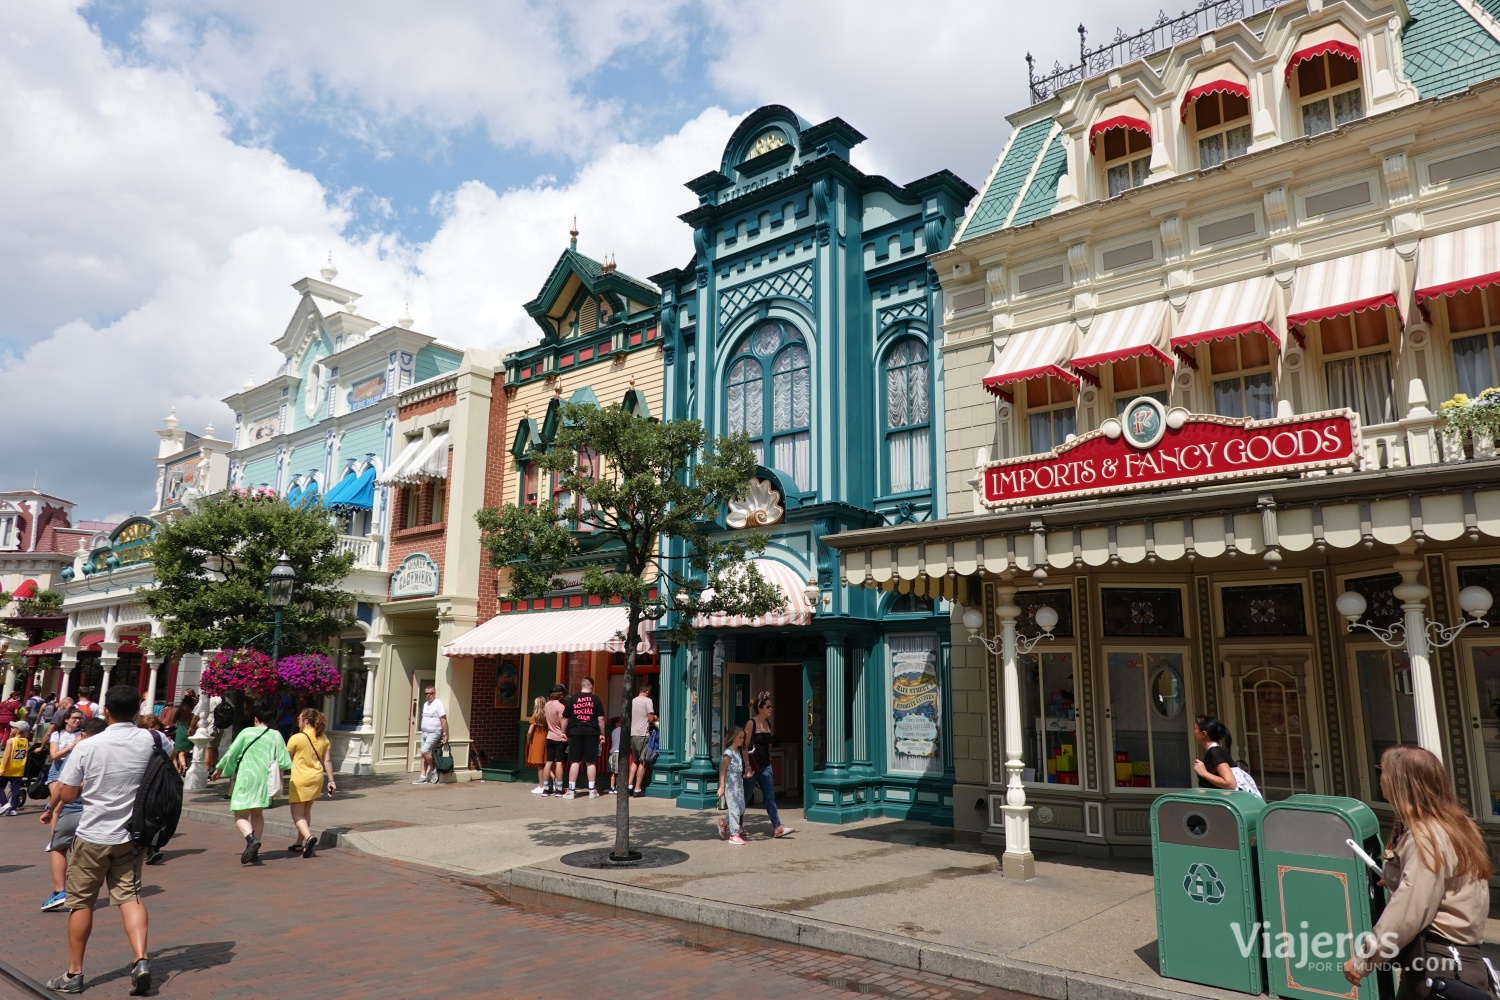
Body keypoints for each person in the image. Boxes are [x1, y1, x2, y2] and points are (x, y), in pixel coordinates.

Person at [41, 684, 164, 996]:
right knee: (130, 896)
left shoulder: (88, 746)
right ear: (138, 710)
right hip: (132, 835)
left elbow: (67, 794)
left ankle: (74, 973)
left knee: (82, 903)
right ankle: (141, 960)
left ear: (105, 711)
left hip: (93, 834)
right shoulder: (155, 739)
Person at [1344, 745, 1493, 997]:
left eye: (1383, 771)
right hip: (1461, 963)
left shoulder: (1426, 836)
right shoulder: (1458, 825)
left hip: (1439, 966)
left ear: (1402, 782)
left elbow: (1408, 911)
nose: (1379, 777)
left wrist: (1363, 961)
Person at [210, 697, 292, 865]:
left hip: (246, 776)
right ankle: (255, 849)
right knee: (257, 813)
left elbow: (232, 752)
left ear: (256, 719)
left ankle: (250, 839)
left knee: (240, 814)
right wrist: (281, 781)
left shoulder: (247, 732)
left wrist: (219, 769)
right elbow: (284, 762)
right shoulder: (276, 735)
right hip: (264, 779)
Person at [38, 716, 107, 912]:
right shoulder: (112, 751)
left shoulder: (80, 751)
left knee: (59, 847)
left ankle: (61, 891)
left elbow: (62, 785)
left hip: (74, 809)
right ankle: (82, 893)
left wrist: (50, 809)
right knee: (85, 854)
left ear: (84, 734)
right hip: (100, 811)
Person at [286, 708, 335, 858]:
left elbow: (285, 759)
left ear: (306, 720)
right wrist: (331, 780)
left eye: (299, 719)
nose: (298, 721)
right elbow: (327, 761)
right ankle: (299, 844)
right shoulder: (323, 738)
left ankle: (308, 837)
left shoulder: (296, 738)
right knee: (306, 811)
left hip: (300, 778)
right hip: (317, 777)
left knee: (296, 813)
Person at [743, 692, 792, 839]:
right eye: (768, 706)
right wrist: (747, 766)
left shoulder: (768, 723)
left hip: (765, 765)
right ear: (760, 708)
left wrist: (769, 758)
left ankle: (777, 827)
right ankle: (734, 824)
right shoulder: (751, 723)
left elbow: (766, 745)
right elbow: (744, 746)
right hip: (753, 766)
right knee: (745, 797)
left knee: (770, 797)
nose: (771, 709)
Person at [1191, 715, 1262, 797]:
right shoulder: (1217, 751)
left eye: (1195, 729)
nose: (1193, 732)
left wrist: (1204, 773)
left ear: (1203, 734)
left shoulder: (1215, 752)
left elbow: (1230, 784)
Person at [562, 677, 605, 798]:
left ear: (581, 686)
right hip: (591, 733)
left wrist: (562, 732)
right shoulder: (596, 699)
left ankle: (570, 791)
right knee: (591, 762)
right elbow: (600, 719)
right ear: (591, 686)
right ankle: (592, 791)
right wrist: (602, 734)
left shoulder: (573, 699)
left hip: (575, 733)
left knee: (575, 762)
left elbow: (565, 718)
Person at [716, 726, 749, 845]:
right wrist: (722, 787)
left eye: (743, 738)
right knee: (734, 808)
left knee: (741, 808)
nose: (742, 740)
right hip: (730, 785)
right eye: (740, 737)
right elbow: (723, 771)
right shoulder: (728, 753)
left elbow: (738, 769)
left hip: (739, 784)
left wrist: (745, 774)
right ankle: (734, 834)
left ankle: (723, 822)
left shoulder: (738, 751)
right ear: (733, 738)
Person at [414, 685, 448, 785]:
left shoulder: (438, 703)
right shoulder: (425, 704)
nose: (428, 695)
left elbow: (443, 719)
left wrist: (445, 734)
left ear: (434, 694)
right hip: (425, 732)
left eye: (431, 693)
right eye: (427, 693)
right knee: (423, 755)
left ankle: (433, 770)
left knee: (424, 751)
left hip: (434, 732)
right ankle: (423, 776)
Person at [628, 681, 656, 797]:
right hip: (642, 734)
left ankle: (629, 785)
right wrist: (655, 717)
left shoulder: (633, 701)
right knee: (643, 762)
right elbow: (650, 719)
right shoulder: (647, 701)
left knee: (634, 761)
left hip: (632, 734)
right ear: (648, 691)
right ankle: (637, 789)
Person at [542, 684, 567, 796]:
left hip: (549, 736)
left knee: (548, 762)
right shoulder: (561, 707)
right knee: (559, 763)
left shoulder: (547, 705)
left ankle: (546, 788)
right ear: (561, 694)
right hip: (559, 737)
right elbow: (563, 724)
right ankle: (559, 789)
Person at [2, 719, 30, 814]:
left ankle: (5, 804)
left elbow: (7, 756)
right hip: (19, 768)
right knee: (15, 790)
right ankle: (13, 809)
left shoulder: (11, 741)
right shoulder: (26, 741)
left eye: (13, 727)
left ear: (18, 730)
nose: (11, 728)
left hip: (9, 768)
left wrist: (3, 768)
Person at [172, 692, 198, 776]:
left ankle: (183, 766)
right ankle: (181, 769)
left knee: (180, 752)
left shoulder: (180, 709)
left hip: (181, 730)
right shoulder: (192, 710)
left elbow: (174, 720)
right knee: (185, 752)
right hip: (189, 730)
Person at [525, 696, 548, 793]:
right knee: (548, 763)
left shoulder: (535, 716)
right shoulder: (547, 715)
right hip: (546, 739)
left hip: (537, 741)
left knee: (540, 765)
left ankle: (542, 785)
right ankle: (554, 782)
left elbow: (530, 731)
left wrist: (528, 739)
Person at [607, 717, 622, 794]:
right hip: (617, 752)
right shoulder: (620, 730)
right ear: (617, 724)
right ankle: (616, 787)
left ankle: (611, 787)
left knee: (613, 772)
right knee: (617, 772)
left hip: (613, 753)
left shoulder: (613, 731)